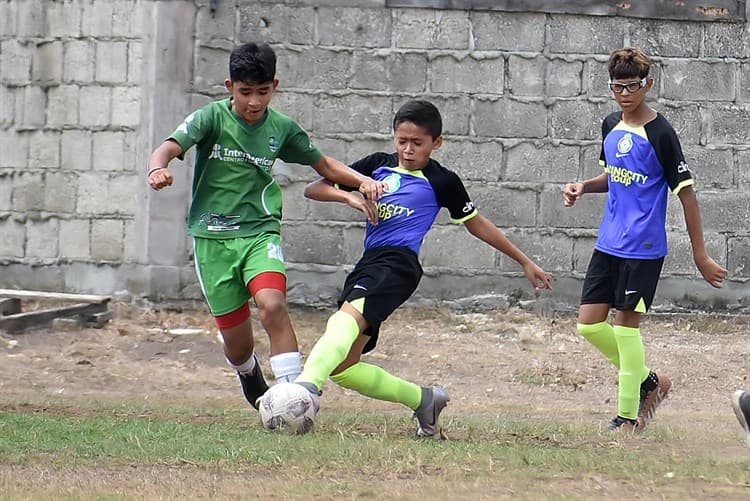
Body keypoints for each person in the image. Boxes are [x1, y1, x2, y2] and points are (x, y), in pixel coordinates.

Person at [145, 42, 384, 412]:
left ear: (275, 86)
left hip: (259, 233)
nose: (254, 102)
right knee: (238, 346)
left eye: (262, 92)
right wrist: (157, 168)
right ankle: (248, 373)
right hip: (213, 241)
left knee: (272, 305)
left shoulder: (281, 128)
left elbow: (324, 165)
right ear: (230, 87)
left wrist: (359, 182)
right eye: (245, 93)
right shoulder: (211, 118)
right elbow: (169, 147)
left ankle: (295, 399)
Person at [292, 100, 552, 437]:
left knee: (345, 318)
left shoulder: (442, 180)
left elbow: (476, 224)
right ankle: (424, 399)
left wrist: (525, 261)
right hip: (370, 261)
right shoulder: (376, 166)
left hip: (398, 264)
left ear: (436, 142)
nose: (408, 149)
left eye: (417, 143)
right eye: (402, 141)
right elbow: (314, 188)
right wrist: (352, 195)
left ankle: (304, 388)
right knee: (344, 367)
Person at [562, 47, 727, 433]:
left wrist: (700, 255)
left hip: (644, 247)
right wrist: (583, 187)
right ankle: (651, 382)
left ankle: (627, 418)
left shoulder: (661, 133)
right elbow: (614, 176)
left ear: (647, 85)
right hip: (609, 242)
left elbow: (686, 194)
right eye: (617, 86)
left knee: (625, 327)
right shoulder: (609, 126)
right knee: (589, 325)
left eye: (632, 86)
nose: (624, 93)